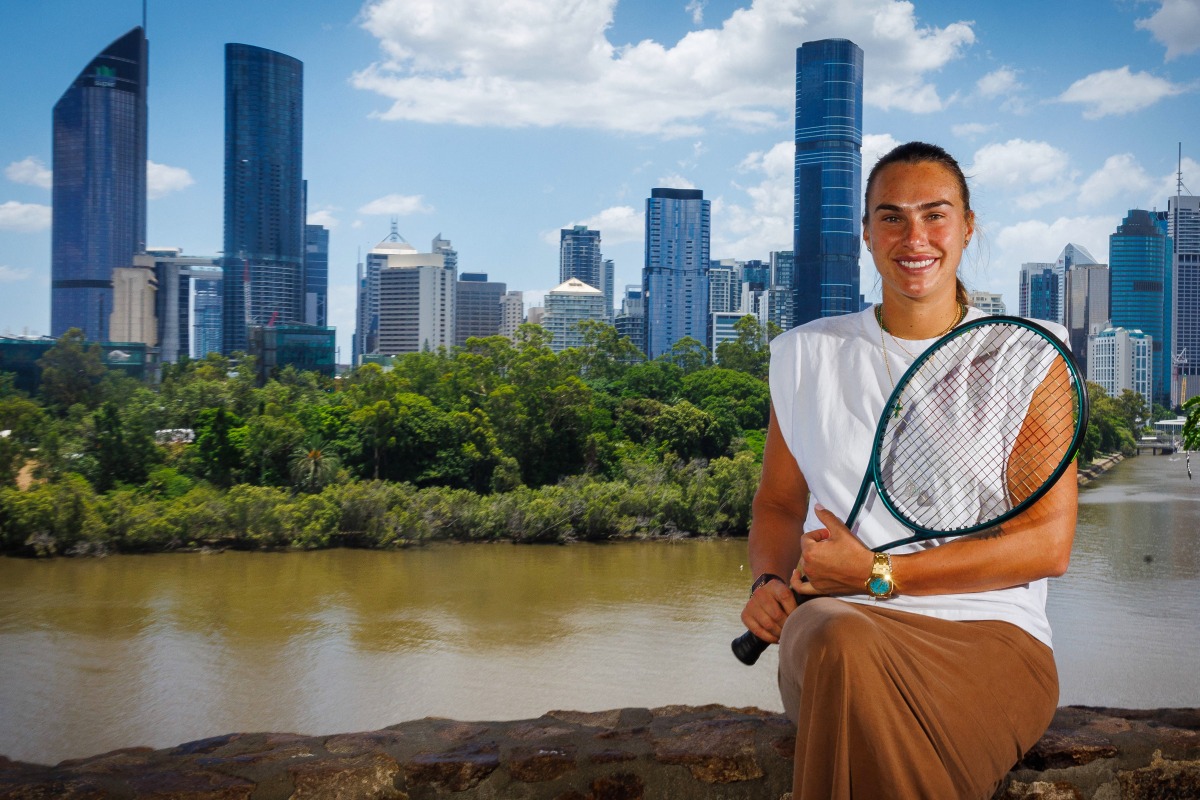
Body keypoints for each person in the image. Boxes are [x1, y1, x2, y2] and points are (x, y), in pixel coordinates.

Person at [740, 141, 1077, 799]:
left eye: (935, 214)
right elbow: (778, 504)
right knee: (840, 637)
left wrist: (877, 573)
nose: (914, 237)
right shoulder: (806, 355)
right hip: (835, 629)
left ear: (968, 227)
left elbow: (1047, 545)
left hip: (991, 637)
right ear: (866, 234)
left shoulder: (1029, 354)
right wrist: (769, 579)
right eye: (891, 217)